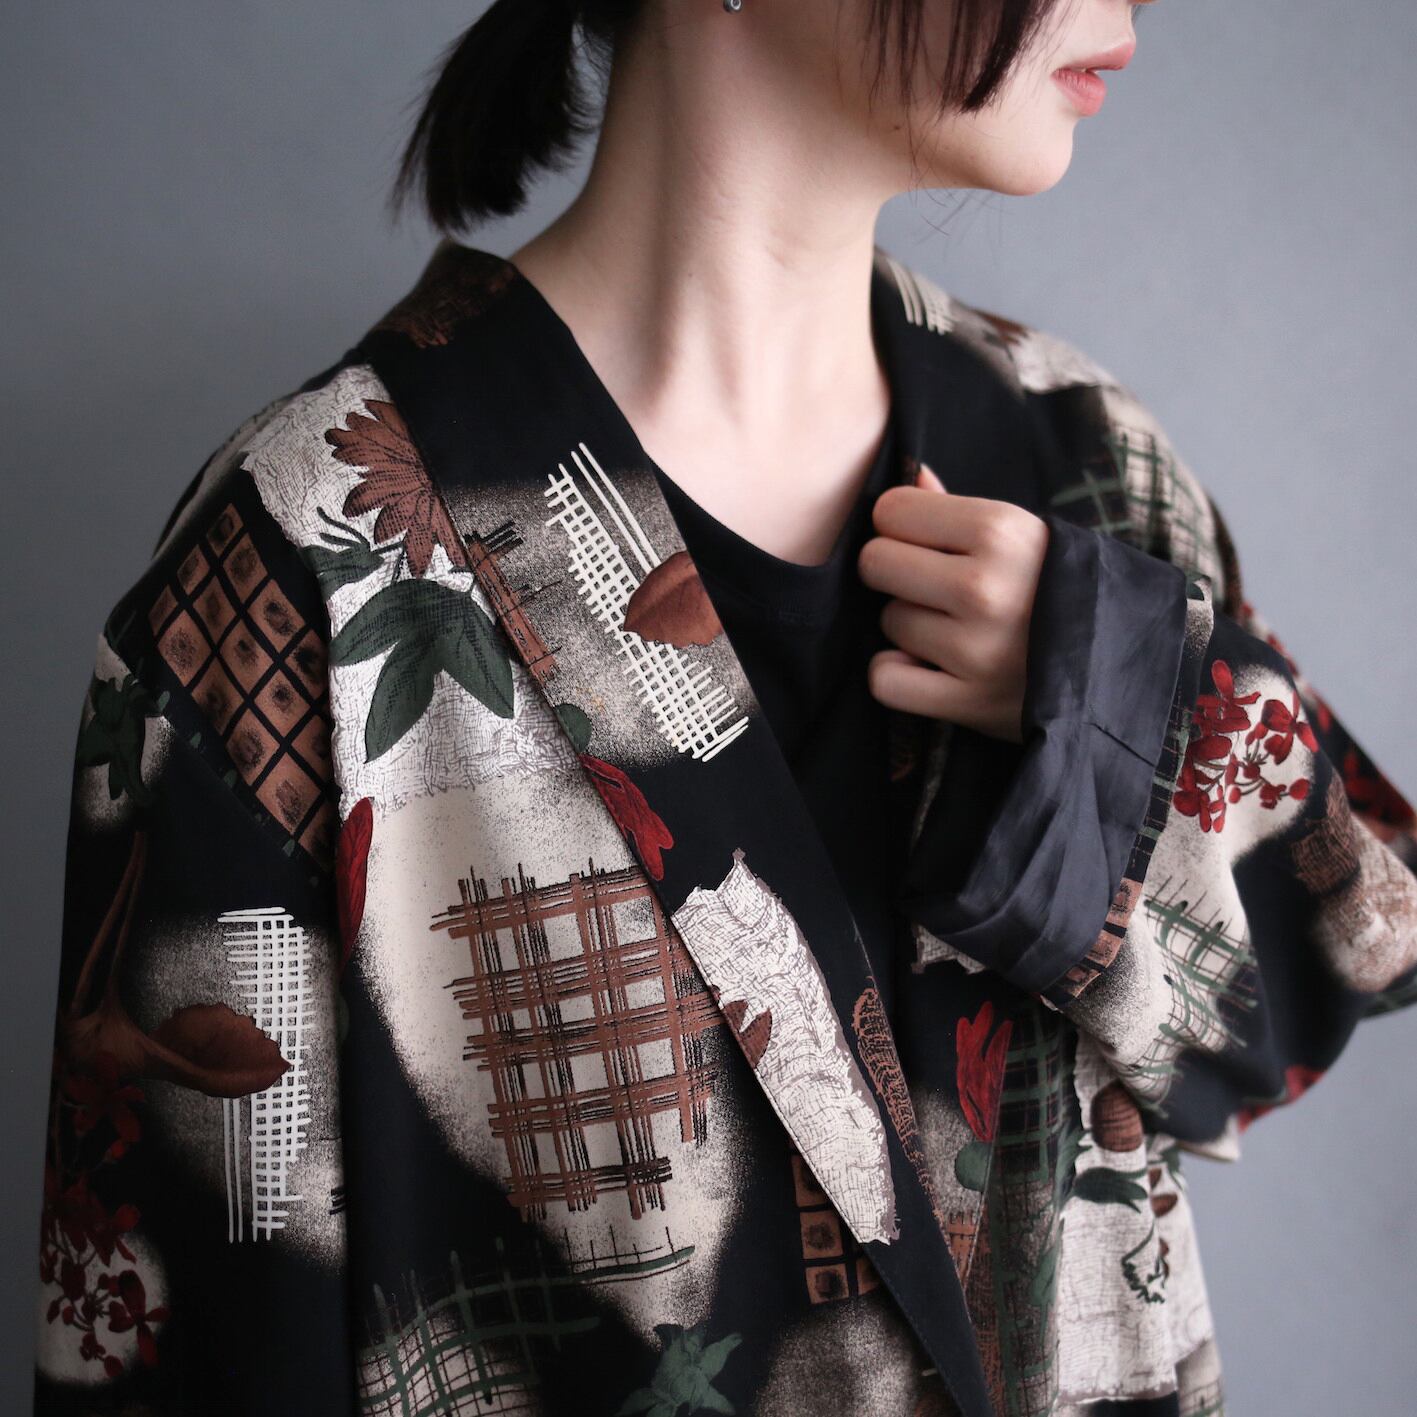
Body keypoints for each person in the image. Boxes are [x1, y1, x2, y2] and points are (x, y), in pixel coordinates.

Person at [32, 2, 1417, 1414]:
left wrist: (1105, 693)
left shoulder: (1084, 457)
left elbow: (1323, 977)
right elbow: (194, 1346)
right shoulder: (300, 562)